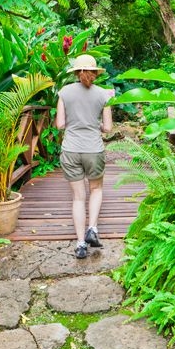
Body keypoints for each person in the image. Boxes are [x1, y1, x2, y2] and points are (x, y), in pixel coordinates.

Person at [55, 54, 115, 259]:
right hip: (93, 150)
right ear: (96, 72)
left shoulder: (64, 92)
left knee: (78, 197)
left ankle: (80, 244)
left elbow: (60, 125)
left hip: (71, 149)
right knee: (96, 189)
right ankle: (93, 229)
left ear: (76, 72)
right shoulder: (104, 95)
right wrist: (94, 123)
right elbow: (107, 128)